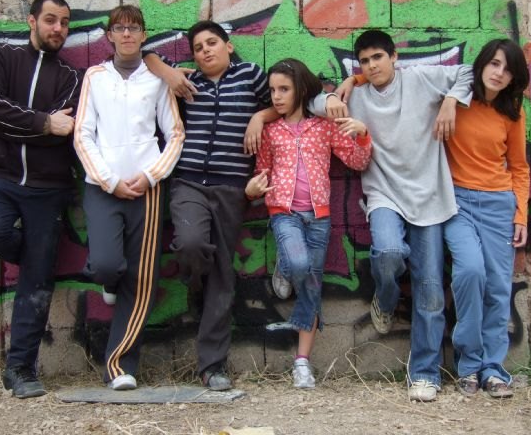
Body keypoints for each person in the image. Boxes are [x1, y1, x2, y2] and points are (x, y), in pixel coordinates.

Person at [143, 21, 344, 390]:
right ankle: (195, 283)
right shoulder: (188, 80)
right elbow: (143, 56)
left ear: (229, 46)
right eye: (198, 47)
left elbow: (288, 103)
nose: (205, 50)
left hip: (232, 187)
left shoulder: (250, 75)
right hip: (189, 182)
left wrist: (258, 116)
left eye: (212, 43)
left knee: (223, 275)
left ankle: (212, 367)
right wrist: (167, 71)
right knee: (189, 244)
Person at [337, 30, 473, 402]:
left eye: (378, 57)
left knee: (430, 290)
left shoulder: (421, 79)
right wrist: (340, 89)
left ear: (394, 56)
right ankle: (385, 297)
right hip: (383, 192)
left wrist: (450, 101)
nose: (371, 66)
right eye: (364, 61)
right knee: (388, 252)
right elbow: (313, 100)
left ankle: (425, 374)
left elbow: (469, 72)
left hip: (428, 197)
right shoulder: (356, 95)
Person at [0, 0, 81, 398]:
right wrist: (43, 123)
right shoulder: (2, 57)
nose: (58, 29)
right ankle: (34, 258)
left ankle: (20, 370)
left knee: (37, 279)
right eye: (50, 20)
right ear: (32, 21)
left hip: (49, 187)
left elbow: (63, 130)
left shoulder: (71, 77)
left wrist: (6, 124)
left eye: (64, 22)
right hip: (1, 176)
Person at [74, 5, 185, 390]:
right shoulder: (95, 77)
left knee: (140, 280)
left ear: (143, 35)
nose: (126, 34)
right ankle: (109, 279)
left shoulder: (156, 79)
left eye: (133, 28)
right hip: (102, 187)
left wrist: (152, 175)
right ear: (109, 35)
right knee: (107, 265)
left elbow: (175, 134)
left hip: (146, 190)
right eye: (119, 28)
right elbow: (82, 134)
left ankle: (120, 366)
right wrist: (108, 180)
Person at [245, 58, 372, 389]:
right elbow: (262, 170)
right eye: (273, 90)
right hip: (283, 213)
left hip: (319, 219)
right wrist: (255, 188)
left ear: (301, 90)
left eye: (284, 89)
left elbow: (358, 160)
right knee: (300, 264)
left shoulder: (325, 127)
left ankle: (302, 363)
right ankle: (287, 264)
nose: (276, 96)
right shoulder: (271, 130)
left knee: (312, 286)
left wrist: (363, 134)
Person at [443, 39, 530, 399]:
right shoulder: (457, 99)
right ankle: (468, 364)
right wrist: (353, 80)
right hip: (457, 203)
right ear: (481, 65)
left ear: (514, 78)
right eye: (494, 63)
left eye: (507, 69)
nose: (499, 73)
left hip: (499, 205)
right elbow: (402, 74)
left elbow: (520, 167)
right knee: (469, 273)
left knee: (497, 287)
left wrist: (521, 214)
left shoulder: (513, 111)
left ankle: (492, 368)